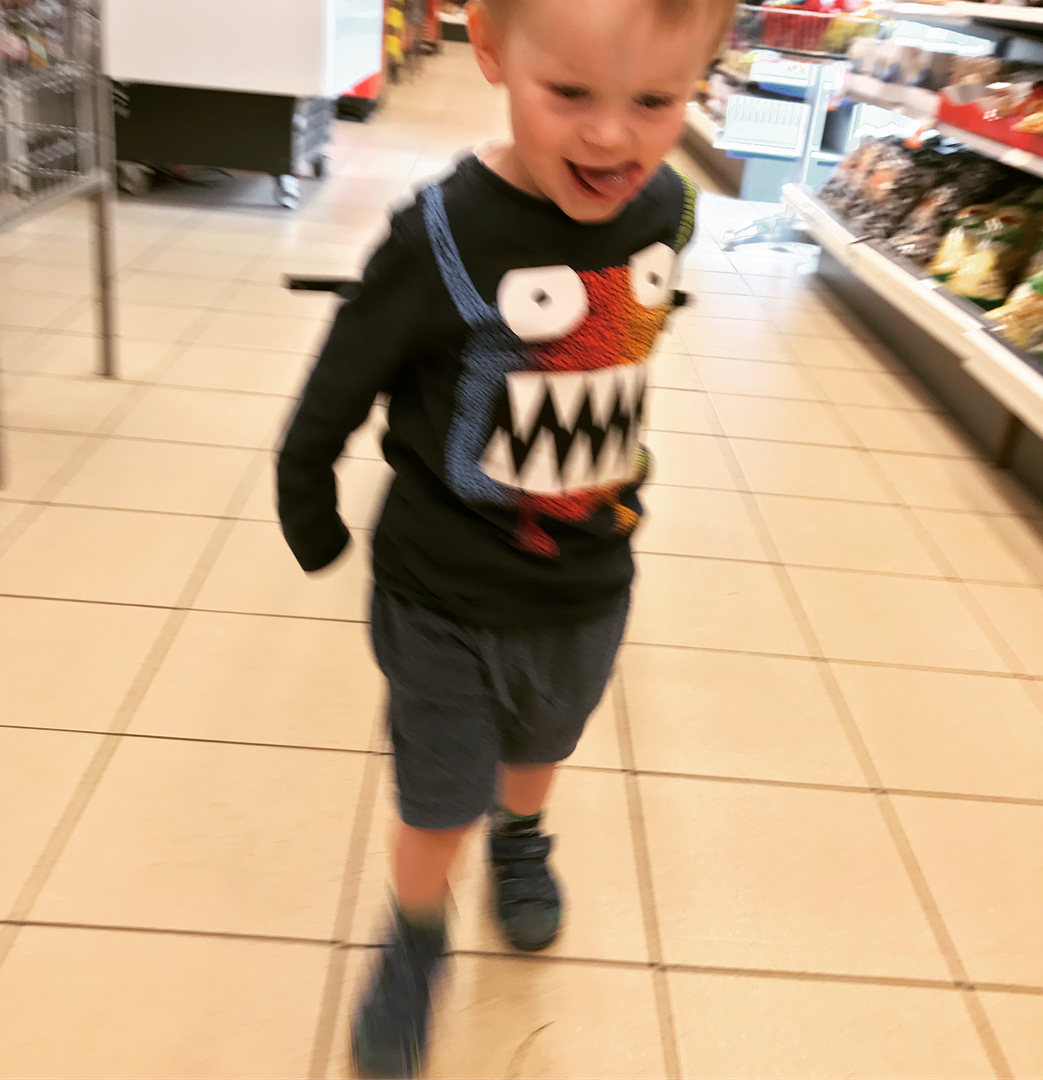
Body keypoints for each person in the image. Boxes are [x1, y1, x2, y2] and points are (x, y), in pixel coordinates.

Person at [276, 0, 732, 1074]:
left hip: (589, 578)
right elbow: (345, 371)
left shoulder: (669, 209)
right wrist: (306, 490)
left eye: (654, 100)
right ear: (489, 49)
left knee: (542, 742)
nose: (611, 136)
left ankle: (521, 839)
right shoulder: (441, 236)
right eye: (569, 93)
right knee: (439, 790)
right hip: (442, 586)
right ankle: (417, 933)